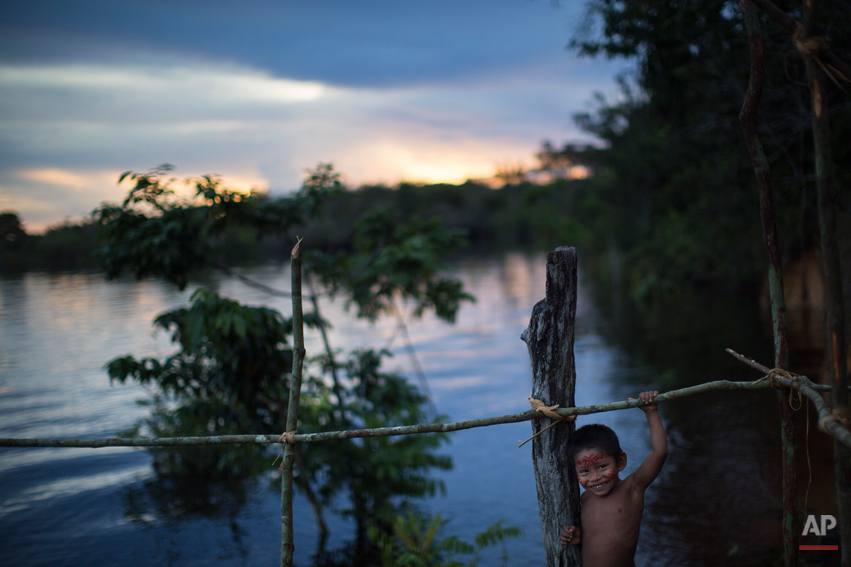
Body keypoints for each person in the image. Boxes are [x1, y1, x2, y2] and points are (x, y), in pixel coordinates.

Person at [559, 390, 668, 567]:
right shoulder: (586, 498)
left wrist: (651, 411)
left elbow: (660, 452)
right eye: (585, 472)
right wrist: (579, 537)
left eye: (602, 467)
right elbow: (599, 536)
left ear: (620, 462)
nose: (595, 478)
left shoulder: (632, 488)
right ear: (575, 472)